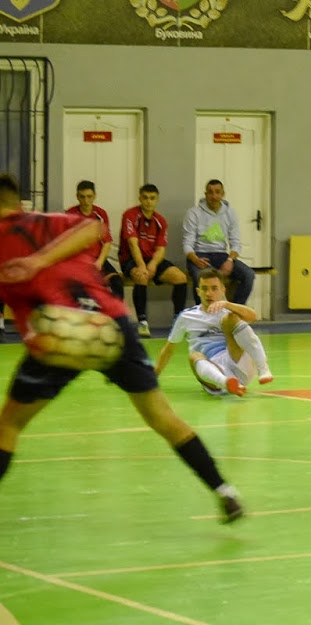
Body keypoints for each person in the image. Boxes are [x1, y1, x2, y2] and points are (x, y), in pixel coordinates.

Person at [0, 173, 243, 523]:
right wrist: (42, 260)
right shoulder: (46, 220)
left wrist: (35, 265)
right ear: (18, 202)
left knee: (8, 424)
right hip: (111, 325)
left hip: (59, 332)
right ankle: (224, 491)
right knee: (161, 416)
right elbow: (92, 230)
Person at [155, 268, 273, 397]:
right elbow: (169, 348)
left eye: (214, 288)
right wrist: (153, 376)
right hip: (212, 372)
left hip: (237, 363)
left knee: (231, 319)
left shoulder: (227, 310)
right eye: (204, 289)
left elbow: (252, 316)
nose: (209, 293)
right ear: (198, 292)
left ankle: (263, 369)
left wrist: (227, 304)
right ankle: (226, 382)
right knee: (194, 356)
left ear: (223, 290)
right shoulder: (186, 316)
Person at [118, 184, 189, 337]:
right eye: (145, 198)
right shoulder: (130, 215)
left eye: (152, 198)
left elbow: (161, 249)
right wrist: (142, 265)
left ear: (157, 200)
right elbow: (132, 243)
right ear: (139, 198)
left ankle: (178, 321)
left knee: (180, 277)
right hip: (130, 259)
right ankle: (143, 322)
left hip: (152, 260)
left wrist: (153, 264)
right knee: (141, 276)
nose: (148, 202)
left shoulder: (161, 221)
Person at [183, 180, 255, 305]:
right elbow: (187, 243)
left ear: (223, 194)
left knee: (248, 275)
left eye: (217, 192)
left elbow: (235, 242)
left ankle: (235, 310)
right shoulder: (193, 213)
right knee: (203, 278)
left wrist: (230, 260)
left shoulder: (230, 213)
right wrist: (194, 259)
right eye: (210, 192)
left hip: (222, 255)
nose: (214, 196)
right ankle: (203, 313)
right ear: (205, 194)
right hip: (199, 255)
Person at [65, 180, 124, 299]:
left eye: (89, 196)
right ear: (77, 197)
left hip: (98, 259)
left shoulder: (101, 214)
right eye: (82, 197)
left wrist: (100, 262)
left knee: (117, 282)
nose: (86, 201)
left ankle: (116, 315)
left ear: (94, 196)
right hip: (78, 259)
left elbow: (107, 241)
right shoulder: (70, 214)